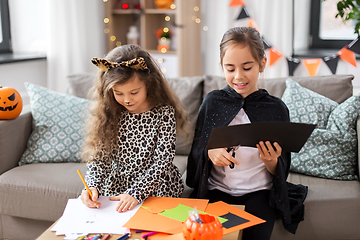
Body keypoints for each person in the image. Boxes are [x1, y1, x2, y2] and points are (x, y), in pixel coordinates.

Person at [186, 27, 308, 240]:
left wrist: (271, 161)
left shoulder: (276, 109)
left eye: (247, 67)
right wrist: (210, 153)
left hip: (259, 193)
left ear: (262, 64)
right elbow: (197, 154)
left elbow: (282, 168)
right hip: (216, 191)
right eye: (230, 68)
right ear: (221, 67)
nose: (238, 76)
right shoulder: (213, 102)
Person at [80, 44, 187, 213]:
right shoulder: (110, 113)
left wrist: (136, 193)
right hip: (119, 186)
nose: (127, 100)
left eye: (134, 92)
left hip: (155, 185)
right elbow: (101, 160)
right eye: (119, 93)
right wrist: (92, 186)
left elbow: (162, 162)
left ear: (149, 84)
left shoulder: (164, 113)